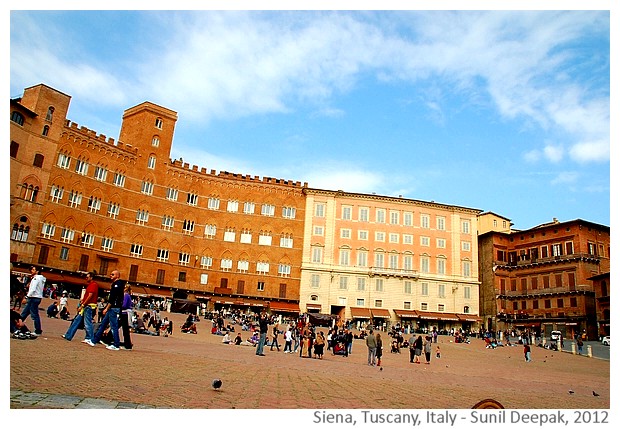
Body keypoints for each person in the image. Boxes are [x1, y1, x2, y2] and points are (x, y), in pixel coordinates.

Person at [63, 271, 99, 344]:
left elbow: (90, 296)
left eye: (87, 277)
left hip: (88, 306)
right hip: (85, 305)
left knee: (87, 322)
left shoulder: (93, 285)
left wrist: (83, 305)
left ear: (91, 277)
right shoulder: (90, 285)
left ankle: (90, 338)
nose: (86, 278)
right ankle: (68, 335)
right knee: (76, 320)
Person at [92, 270, 125, 351]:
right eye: (110, 274)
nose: (111, 275)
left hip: (114, 307)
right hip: (112, 307)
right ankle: (94, 340)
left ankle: (116, 345)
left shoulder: (118, 284)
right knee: (103, 324)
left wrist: (107, 308)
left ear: (117, 276)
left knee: (114, 326)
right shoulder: (116, 284)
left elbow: (113, 298)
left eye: (113, 274)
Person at [20, 265, 45, 336]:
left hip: (33, 298)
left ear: (37, 271)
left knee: (34, 315)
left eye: (33, 270)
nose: (32, 271)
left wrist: (26, 297)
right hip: (37, 297)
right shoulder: (41, 279)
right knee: (24, 313)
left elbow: (33, 289)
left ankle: (38, 330)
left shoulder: (36, 279)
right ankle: (17, 325)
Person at [119, 284, 133, 350]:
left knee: (125, 329)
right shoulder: (127, 295)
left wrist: (119, 306)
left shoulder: (126, 295)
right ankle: (127, 344)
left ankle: (127, 345)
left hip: (125, 313)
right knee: (121, 327)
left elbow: (124, 305)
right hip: (125, 313)